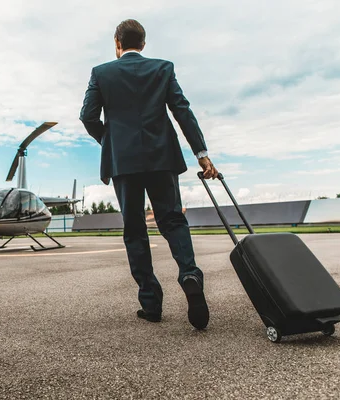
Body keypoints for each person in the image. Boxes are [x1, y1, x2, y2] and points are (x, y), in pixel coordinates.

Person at [79, 19, 219, 330]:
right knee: (172, 220)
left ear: (118, 43)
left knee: (135, 229)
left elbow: (87, 116)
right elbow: (182, 109)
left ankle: (151, 303)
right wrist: (201, 154)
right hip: (162, 158)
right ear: (142, 43)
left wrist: (110, 141)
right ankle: (190, 275)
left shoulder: (101, 73)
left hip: (124, 164)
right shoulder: (163, 68)